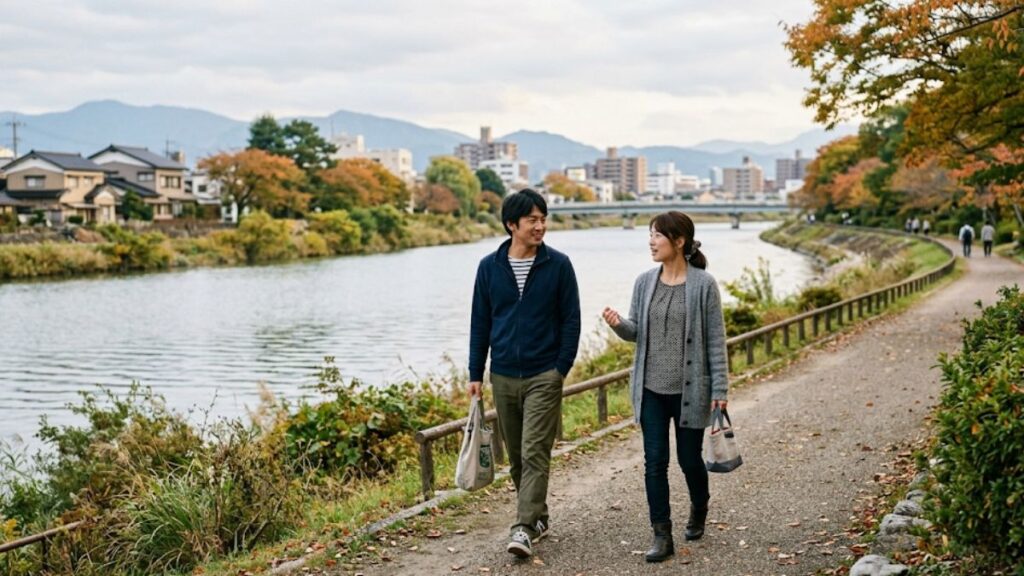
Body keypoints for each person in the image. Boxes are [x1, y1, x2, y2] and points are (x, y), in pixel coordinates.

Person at [601, 211, 729, 563]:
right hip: (651, 391)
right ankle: (662, 534)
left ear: (679, 241)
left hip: (691, 391)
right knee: (654, 463)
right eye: (650, 234)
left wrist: (720, 390)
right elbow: (636, 332)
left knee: (689, 461)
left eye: (657, 235)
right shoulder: (644, 282)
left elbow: (716, 341)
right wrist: (618, 324)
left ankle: (699, 507)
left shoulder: (704, 285)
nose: (651, 242)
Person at [467, 188, 581, 559]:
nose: (540, 226)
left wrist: (560, 369)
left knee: (534, 452)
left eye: (543, 219)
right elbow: (480, 323)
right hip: (502, 375)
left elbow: (571, 320)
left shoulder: (558, 265)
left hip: (544, 374)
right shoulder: (489, 267)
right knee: (516, 456)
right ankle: (539, 517)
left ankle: (523, 527)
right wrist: (475, 372)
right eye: (532, 219)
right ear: (511, 225)